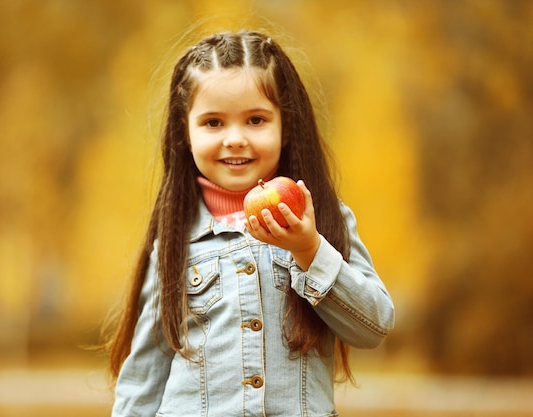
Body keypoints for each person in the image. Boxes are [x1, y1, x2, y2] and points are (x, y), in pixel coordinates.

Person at [104, 30, 395, 417]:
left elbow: (373, 326)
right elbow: (144, 378)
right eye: (213, 123)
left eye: (256, 120)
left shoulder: (320, 218)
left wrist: (309, 251)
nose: (235, 139)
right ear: (185, 134)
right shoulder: (176, 240)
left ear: (285, 127)